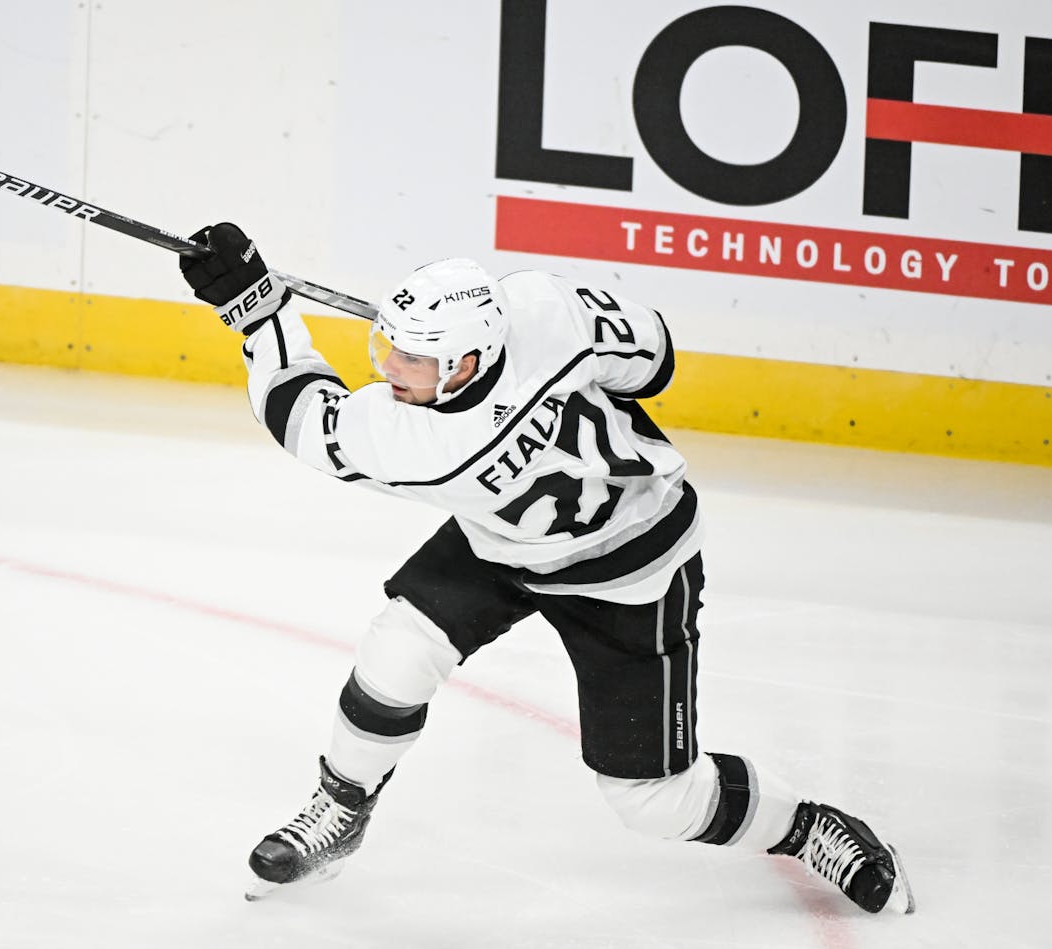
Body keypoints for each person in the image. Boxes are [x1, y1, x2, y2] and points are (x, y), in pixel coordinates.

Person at [178, 223, 916, 915]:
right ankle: (342, 806)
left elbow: (299, 410)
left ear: (466, 361)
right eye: (387, 349)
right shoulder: (540, 307)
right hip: (504, 540)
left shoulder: (416, 444)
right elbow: (655, 359)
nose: (389, 370)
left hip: (634, 567)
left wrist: (257, 311)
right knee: (396, 652)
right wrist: (553, 369)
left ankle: (804, 825)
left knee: (654, 799)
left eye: (411, 359)